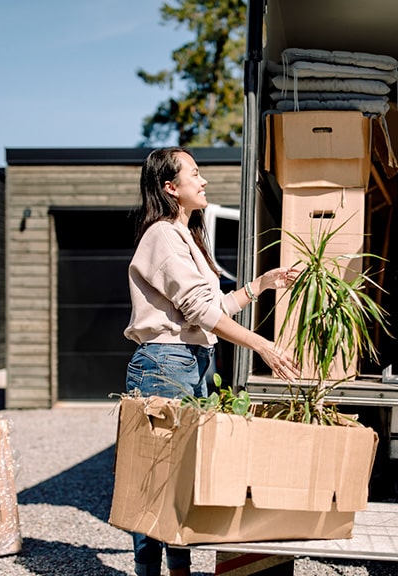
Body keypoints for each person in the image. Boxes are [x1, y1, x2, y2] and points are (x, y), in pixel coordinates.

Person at [123, 146, 298, 576]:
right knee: (154, 481)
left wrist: (261, 284)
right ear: (170, 187)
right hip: (166, 364)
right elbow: (201, 313)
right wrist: (263, 345)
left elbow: (213, 304)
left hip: (191, 361)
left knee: (181, 480)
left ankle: (178, 570)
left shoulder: (188, 237)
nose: (203, 181)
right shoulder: (162, 235)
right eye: (195, 174)